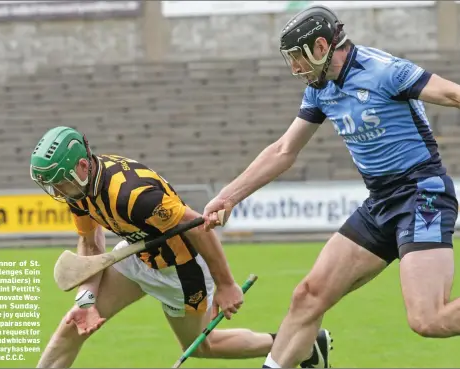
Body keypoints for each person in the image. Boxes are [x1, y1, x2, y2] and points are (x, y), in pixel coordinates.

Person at [202, 5, 460, 369]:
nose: (294, 69)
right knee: (308, 296)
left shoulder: (385, 71)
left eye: (297, 58)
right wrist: (228, 197)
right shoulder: (320, 89)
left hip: (423, 194)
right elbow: (284, 150)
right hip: (381, 201)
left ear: (321, 46)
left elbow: (456, 95)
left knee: (428, 319)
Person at [30, 126, 331, 368]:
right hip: (137, 254)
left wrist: (226, 285)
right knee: (73, 324)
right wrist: (86, 301)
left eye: (60, 183)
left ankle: (302, 346)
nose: (57, 192)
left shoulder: (133, 195)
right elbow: (90, 245)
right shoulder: (78, 191)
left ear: (82, 166)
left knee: (202, 347)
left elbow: (197, 225)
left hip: (180, 270)